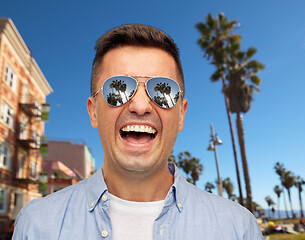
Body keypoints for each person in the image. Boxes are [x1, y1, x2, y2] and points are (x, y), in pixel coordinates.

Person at [12, 24, 263, 239]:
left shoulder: (238, 228)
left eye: (163, 90)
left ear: (181, 114)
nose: (140, 106)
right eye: (117, 89)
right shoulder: (35, 225)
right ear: (93, 112)